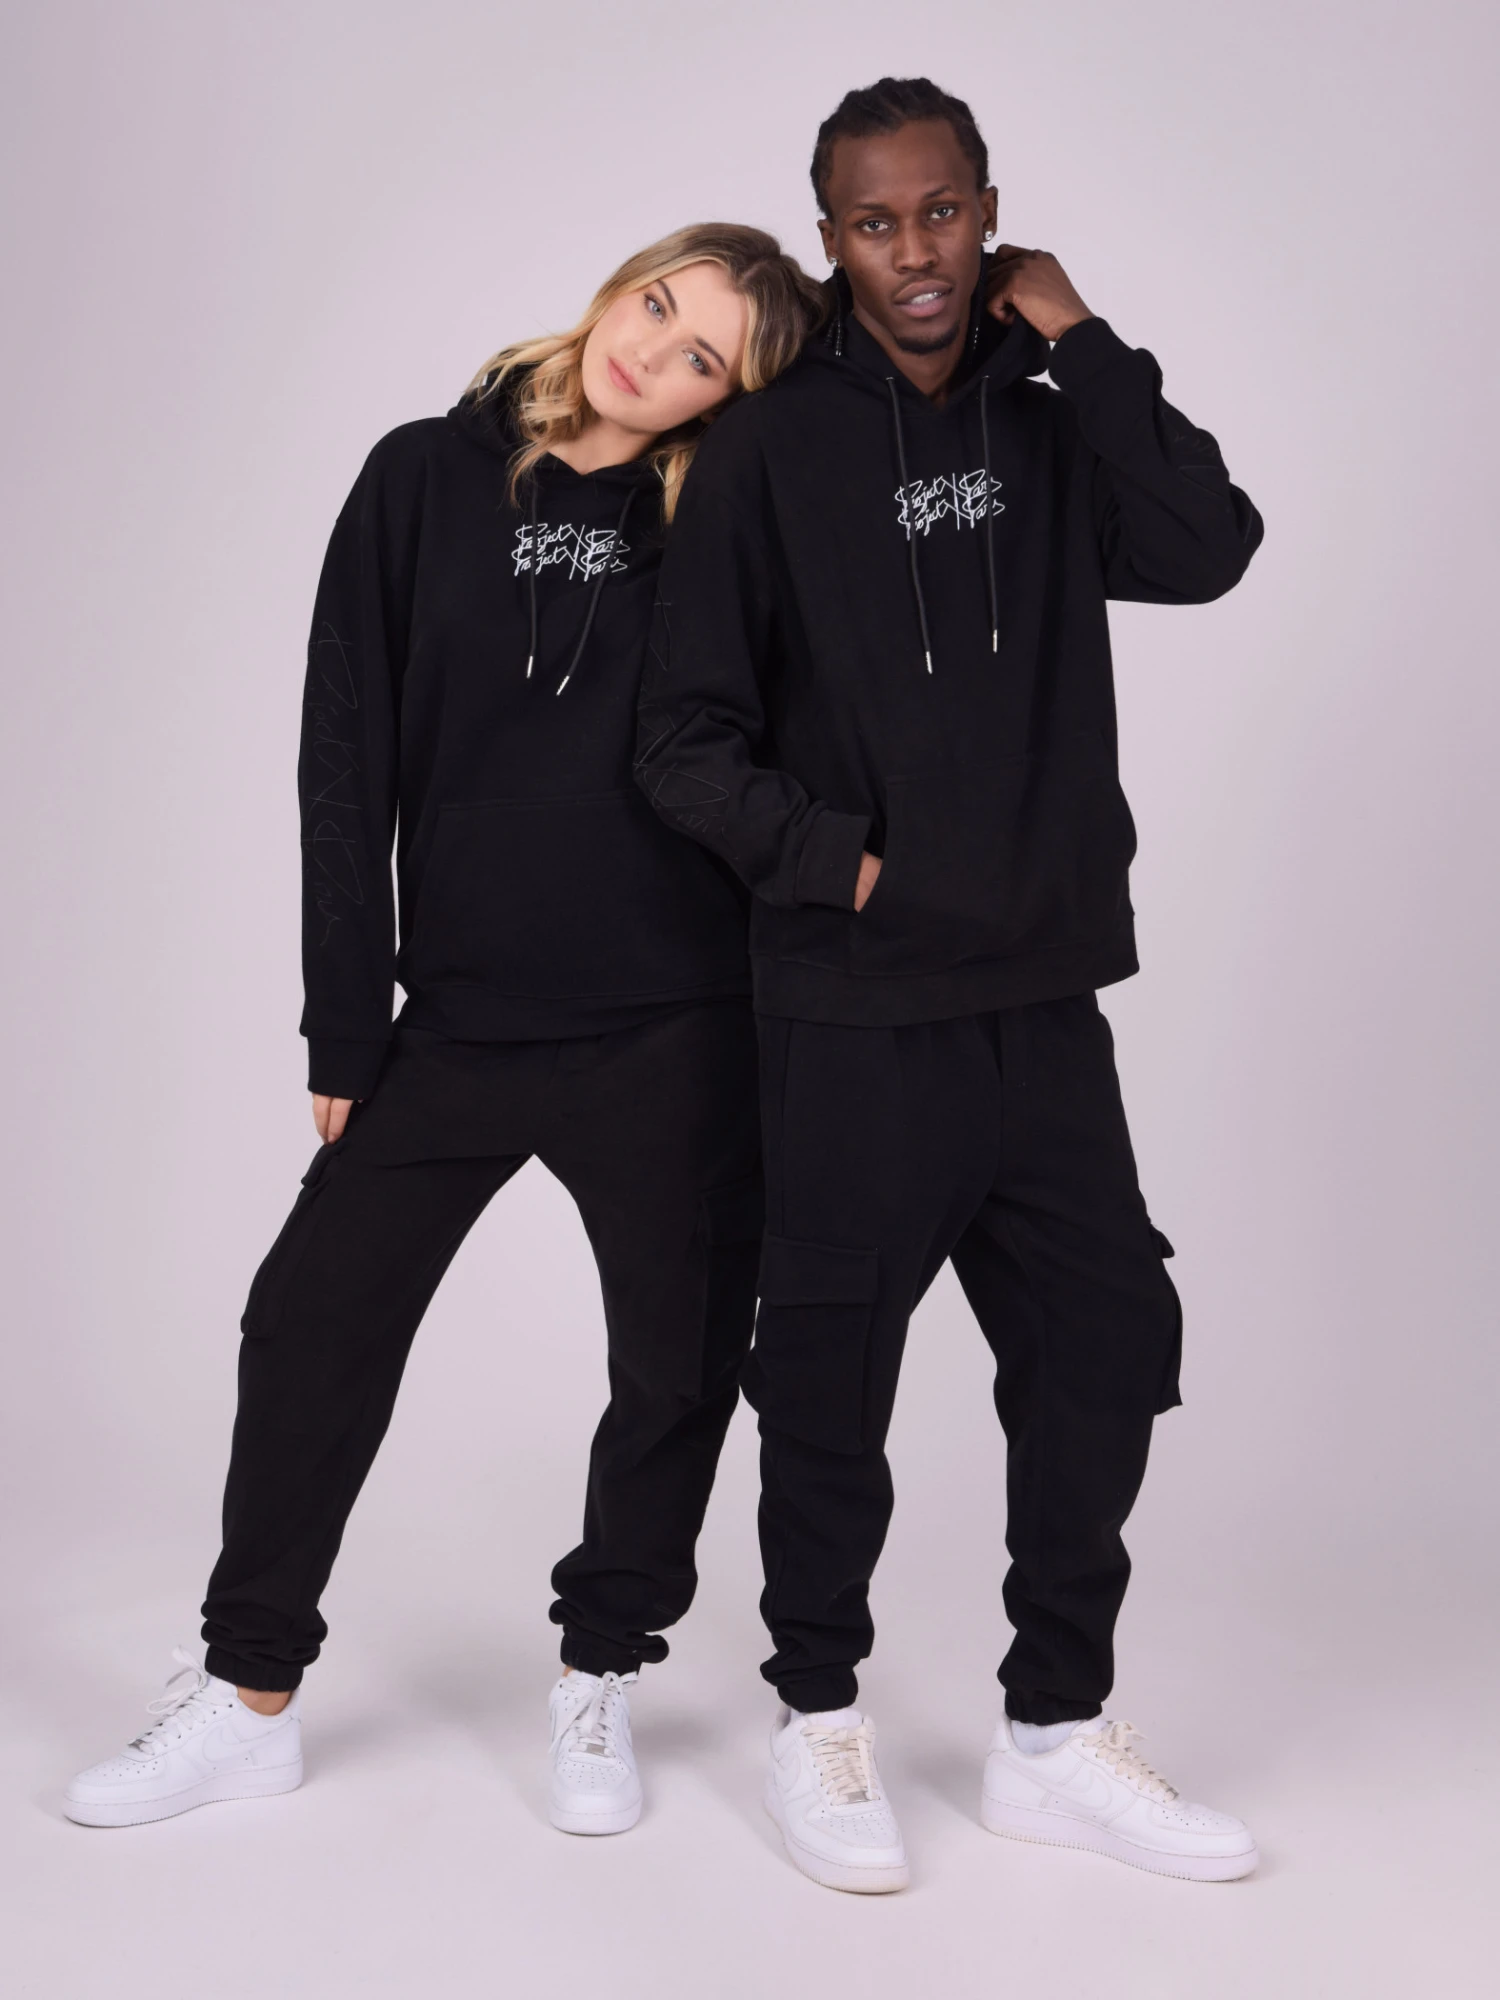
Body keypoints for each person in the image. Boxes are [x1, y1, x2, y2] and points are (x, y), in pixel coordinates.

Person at [65, 225, 823, 1835]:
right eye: (658, 304)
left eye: (703, 356)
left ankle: (602, 1671)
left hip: (680, 1026)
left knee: (677, 1364)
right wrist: (344, 1022)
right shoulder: (420, 477)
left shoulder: (725, 525)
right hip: (460, 1018)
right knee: (309, 1324)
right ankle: (249, 1692)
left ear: (729, 400)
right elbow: (343, 755)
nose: (651, 352)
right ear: (620, 284)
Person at [636, 79, 1265, 1893]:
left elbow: (1210, 545)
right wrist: (845, 864)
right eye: (874, 222)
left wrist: (1085, 341)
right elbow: (684, 744)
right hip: (849, 1006)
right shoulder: (764, 455)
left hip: (1043, 994)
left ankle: (1054, 1731)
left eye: (941, 212)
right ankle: (816, 1716)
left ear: (990, 210)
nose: (914, 253)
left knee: (1107, 1343)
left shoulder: (1054, 424)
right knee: (830, 1377)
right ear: (829, 238)